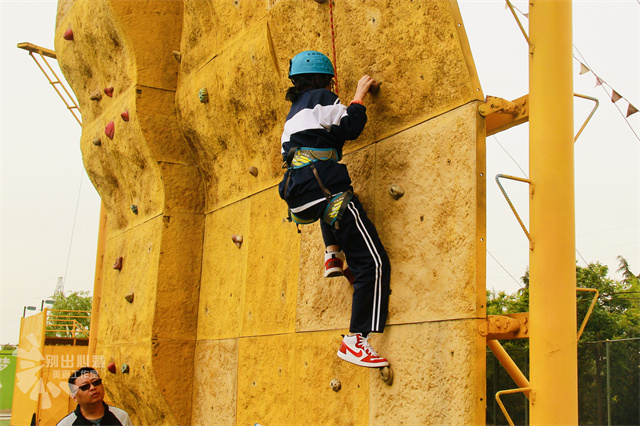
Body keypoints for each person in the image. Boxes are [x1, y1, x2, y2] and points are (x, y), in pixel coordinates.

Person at [279, 50, 391, 368]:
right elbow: (351, 127)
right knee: (374, 262)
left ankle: (332, 253)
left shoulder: (294, 113)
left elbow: (331, 135)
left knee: (334, 205)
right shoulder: (321, 97)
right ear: (324, 79)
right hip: (324, 185)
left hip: (301, 191)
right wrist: (358, 95)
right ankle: (357, 340)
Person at [57, 367, 133, 426]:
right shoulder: (66, 424)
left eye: (96, 382)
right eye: (85, 386)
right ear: (74, 397)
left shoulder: (121, 417)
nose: (93, 388)